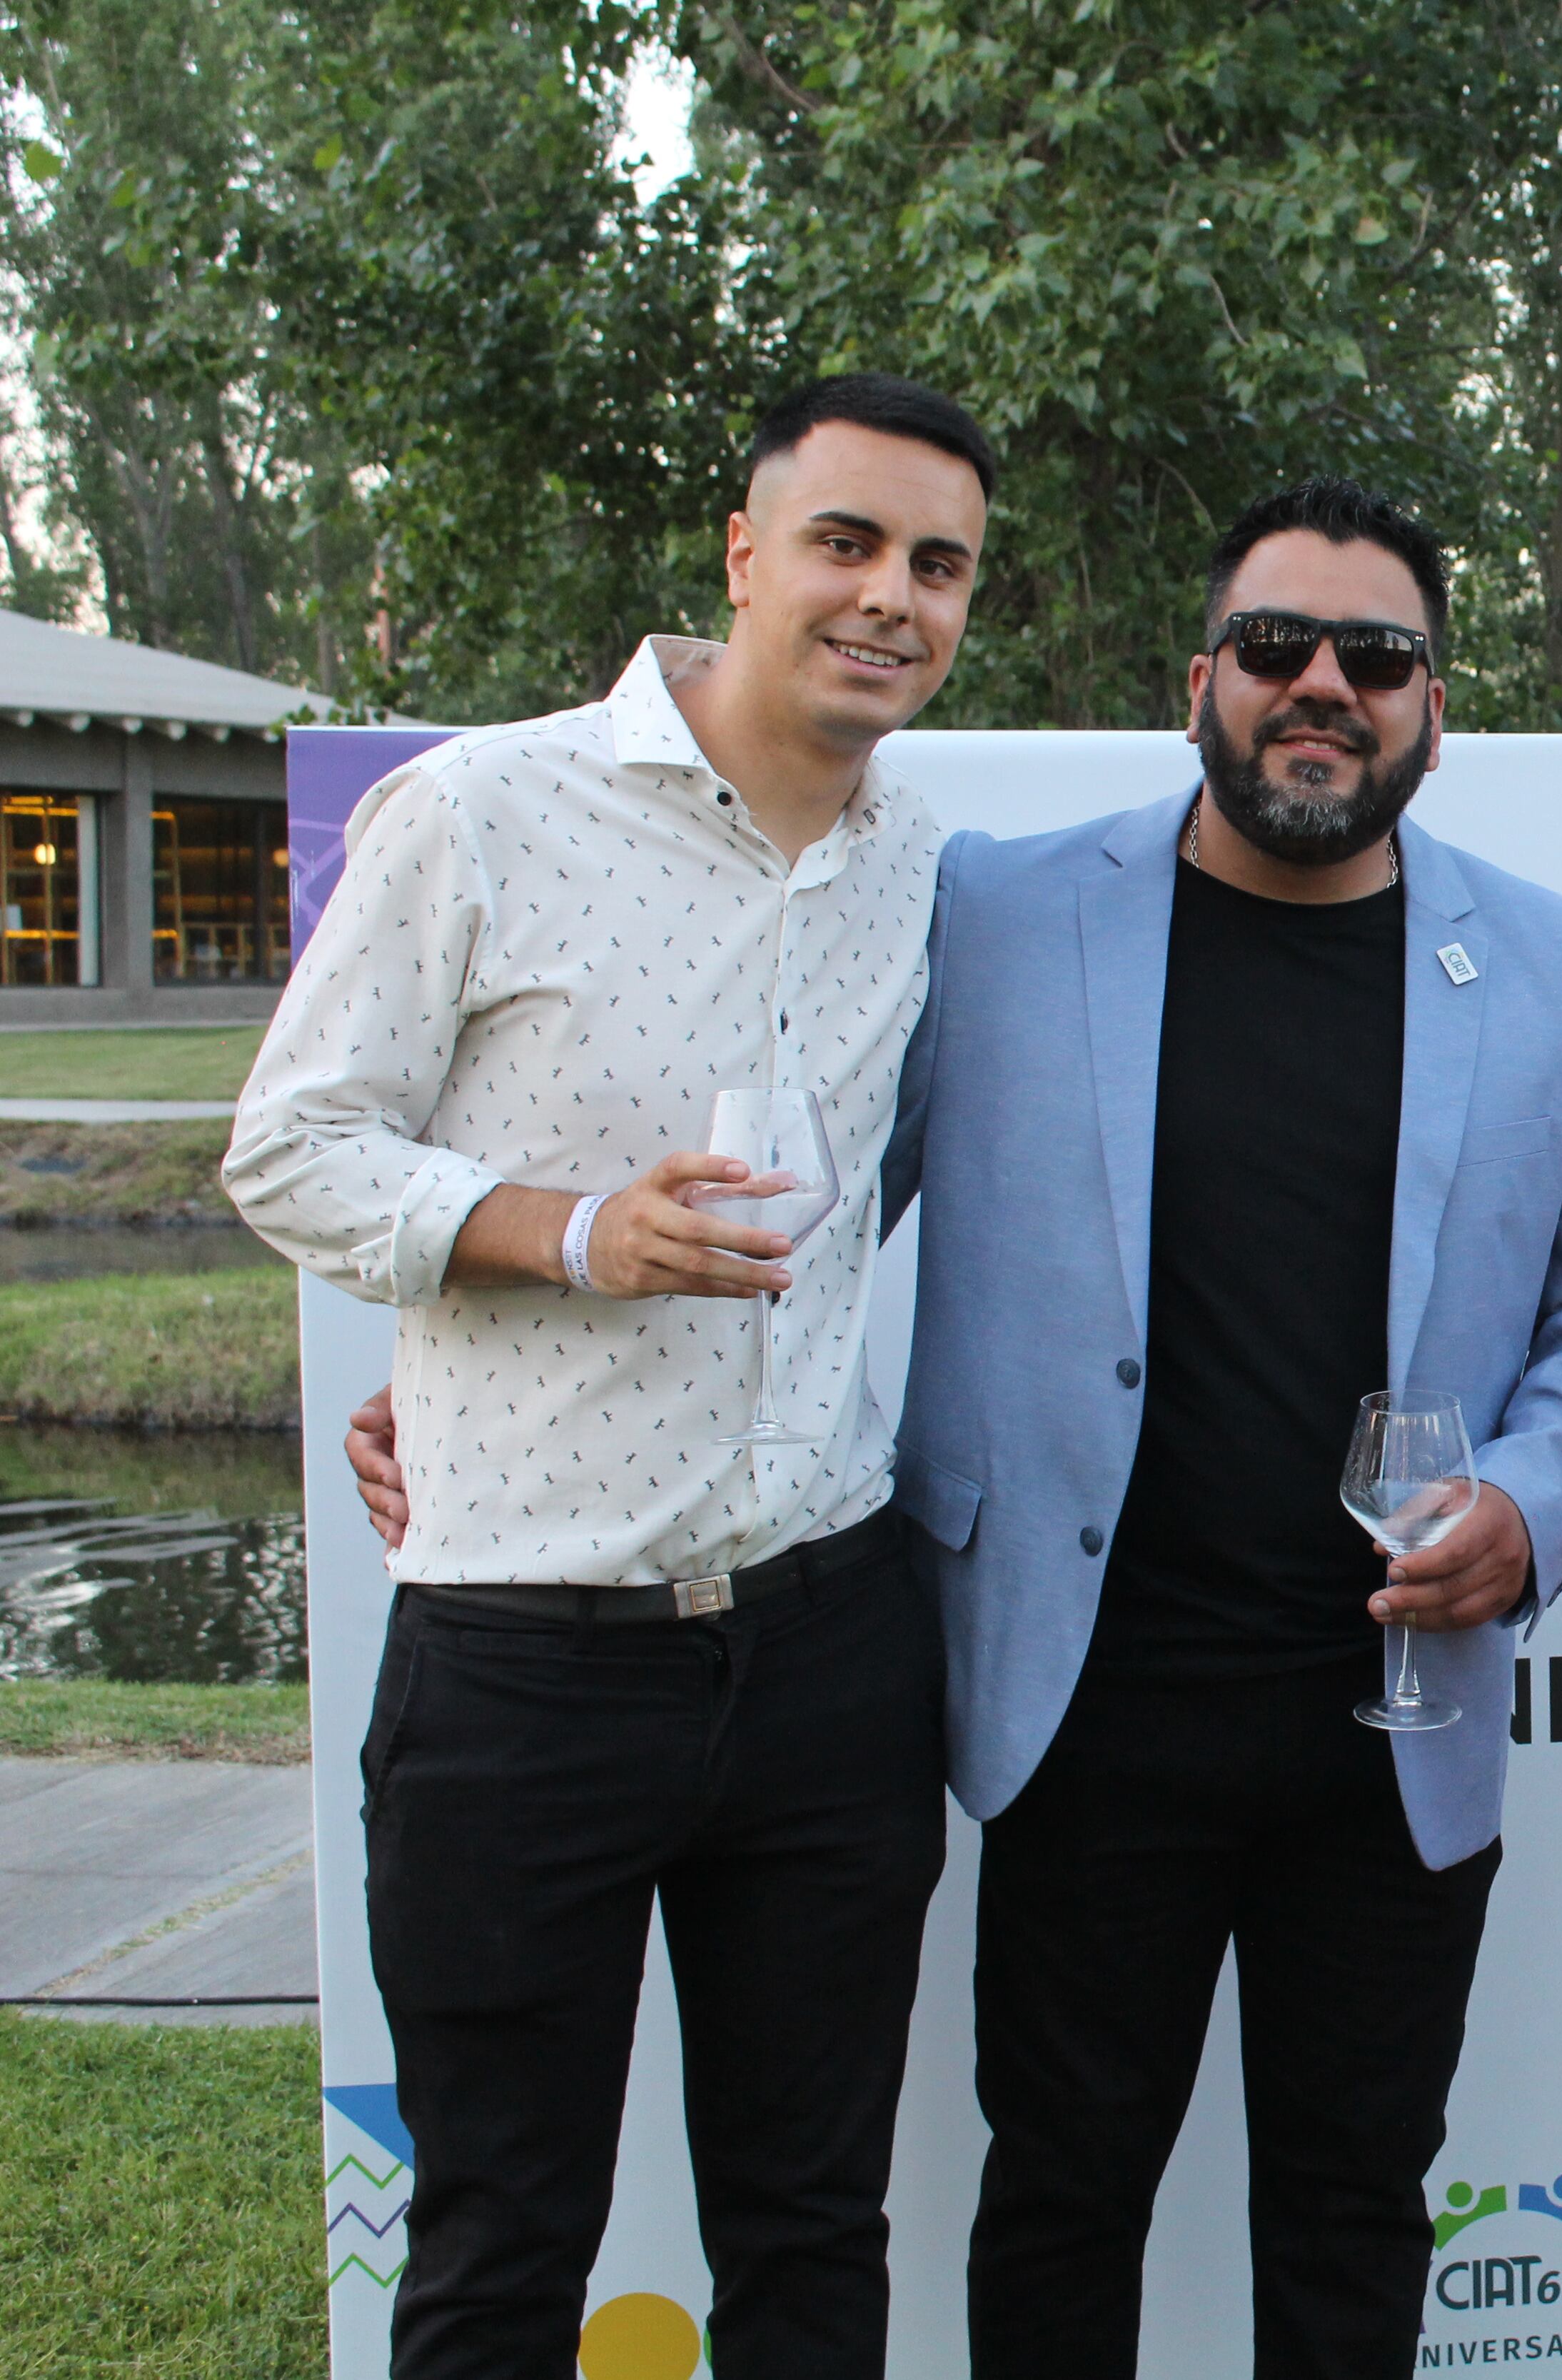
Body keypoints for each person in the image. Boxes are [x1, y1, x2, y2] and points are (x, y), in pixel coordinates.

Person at [885, 477, 1562, 2378]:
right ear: (1202, 682)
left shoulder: (1556, 958)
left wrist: (1529, 1493)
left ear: (1432, 707)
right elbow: (812, 1184)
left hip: (1391, 1721)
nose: (1322, 683)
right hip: (1086, 1711)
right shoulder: (999, 909)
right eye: (1278, 647)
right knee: (1066, 2194)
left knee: (1352, 2206)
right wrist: (525, 1336)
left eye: (1377, 655)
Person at [237, 373, 997, 2377]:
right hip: (523, 1662)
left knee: (817, 2236)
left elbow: (888, 1184)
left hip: (832, 1650)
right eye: (845, 541)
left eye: (939, 563)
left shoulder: (925, 865)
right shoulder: (482, 807)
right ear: (744, 557)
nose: (889, 596)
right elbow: (293, 1146)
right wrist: (570, 1237)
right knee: (499, 2250)